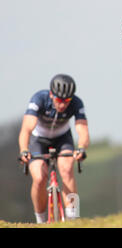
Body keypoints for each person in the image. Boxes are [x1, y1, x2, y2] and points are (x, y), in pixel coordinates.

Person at [18, 74, 89, 223]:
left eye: (67, 101)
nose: (63, 105)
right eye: (59, 100)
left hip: (62, 137)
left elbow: (82, 129)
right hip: (39, 139)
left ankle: (73, 219)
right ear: (51, 94)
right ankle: (41, 220)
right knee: (39, 178)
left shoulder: (76, 103)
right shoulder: (39, 99)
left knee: (67, 170)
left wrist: (81, 148)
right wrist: (24, 150)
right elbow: (26, 129)